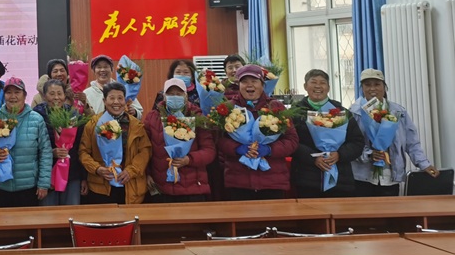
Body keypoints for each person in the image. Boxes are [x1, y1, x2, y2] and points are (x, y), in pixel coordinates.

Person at [350, 68, 438, 196]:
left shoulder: (398, 111)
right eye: (367, 85)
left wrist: (424, 164)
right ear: (362, 88)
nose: (372, 88)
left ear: (384, 87)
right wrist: (369, 154)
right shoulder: (354, 112)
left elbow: (411, 142)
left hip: (390, 177)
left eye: (377, 84)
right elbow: (351, 144)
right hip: (362, 178)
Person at [219, 64, 299, 201]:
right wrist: (237, 148)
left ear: (262, 84)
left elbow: (292, 140)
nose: (249, 85)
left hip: (272, 181)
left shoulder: (276, 107)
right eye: (244, 81)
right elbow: (219, 140)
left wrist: (270, 149)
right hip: (239, 181)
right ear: (239, 85)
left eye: (254, 81)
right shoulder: (228, 108)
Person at [289, 69, 364, 198]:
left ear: (328, 87)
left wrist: (340, 155)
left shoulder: (342, 112)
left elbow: (357, 142)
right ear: (305, 86)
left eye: (322, 83)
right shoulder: (295, 113)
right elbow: (291, 142)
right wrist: (313, 158)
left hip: (340, 180)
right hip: (307, 180)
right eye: (313, 82)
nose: (318, 86)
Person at [79, 81, 150, 204]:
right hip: (101, 187)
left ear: (125, 101)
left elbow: (145, 151)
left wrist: (131, 171)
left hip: (129, 184)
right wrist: (97, 169)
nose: (116, 102)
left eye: (120, 98)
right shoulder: (93, 124)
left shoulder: (136, 125)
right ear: (104, 101)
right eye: (112, 98)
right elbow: (83, 152)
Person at [143, 78, 214, 202]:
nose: (175, 97)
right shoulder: (152, 118)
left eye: (178, 93)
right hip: (162, 188)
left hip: (193, 188)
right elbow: (144, 149)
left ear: (186, 96)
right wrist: (147, 174)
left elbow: (209, 151)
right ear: (164, 96)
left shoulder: (197, 117)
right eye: (170, 94)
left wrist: (189, 159)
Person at [0, 77, 52, 208]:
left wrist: (44, 183)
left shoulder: (36, 119)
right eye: (8, 92)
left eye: (17, 92)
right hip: (0, 186)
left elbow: (45, 152)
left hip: (27, 186)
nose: (13, 96)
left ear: (25, 95)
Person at [33, 78, 84, 206]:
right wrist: (51, 152)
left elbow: (81, 147)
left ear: (64, 95)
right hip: (47, 175)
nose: (56, 97)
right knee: (48, 213)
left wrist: (84, 178)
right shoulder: (37, 116)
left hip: (72, 174)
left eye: (59, 93)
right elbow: (31, 148)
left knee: (71, 212)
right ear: (44, 96)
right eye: (52, 94)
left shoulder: (74, 115)